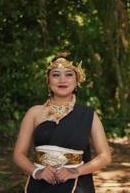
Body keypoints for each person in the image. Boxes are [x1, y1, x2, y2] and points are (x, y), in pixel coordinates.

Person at [13, 53, 111, 193]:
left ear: (77, 80)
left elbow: (105, 156)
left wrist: (75, 171)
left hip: (76, 185)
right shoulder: (34, 113)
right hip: (40, 185)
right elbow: (18, 154)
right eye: (56, 74)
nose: (62, 80)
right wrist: (37, 172)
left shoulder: (88, 115)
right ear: (48, 81)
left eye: (69, 74)